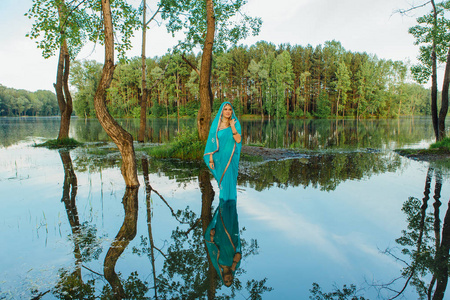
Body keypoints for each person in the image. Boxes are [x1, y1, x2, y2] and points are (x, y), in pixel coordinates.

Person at [203, 101, 242, 286]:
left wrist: (211, 237)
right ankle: (227, 204)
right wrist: (211, 157)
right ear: (221, 111)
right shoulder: (217, 125)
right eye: (225, 109)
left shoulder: (235, 122)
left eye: (230, 109)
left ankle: (228, 201)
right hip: (219, 158)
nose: (227, 112)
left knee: (229, 187)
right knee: (222, 186)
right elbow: (212, 142)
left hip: (231, 157)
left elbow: (239, 141)